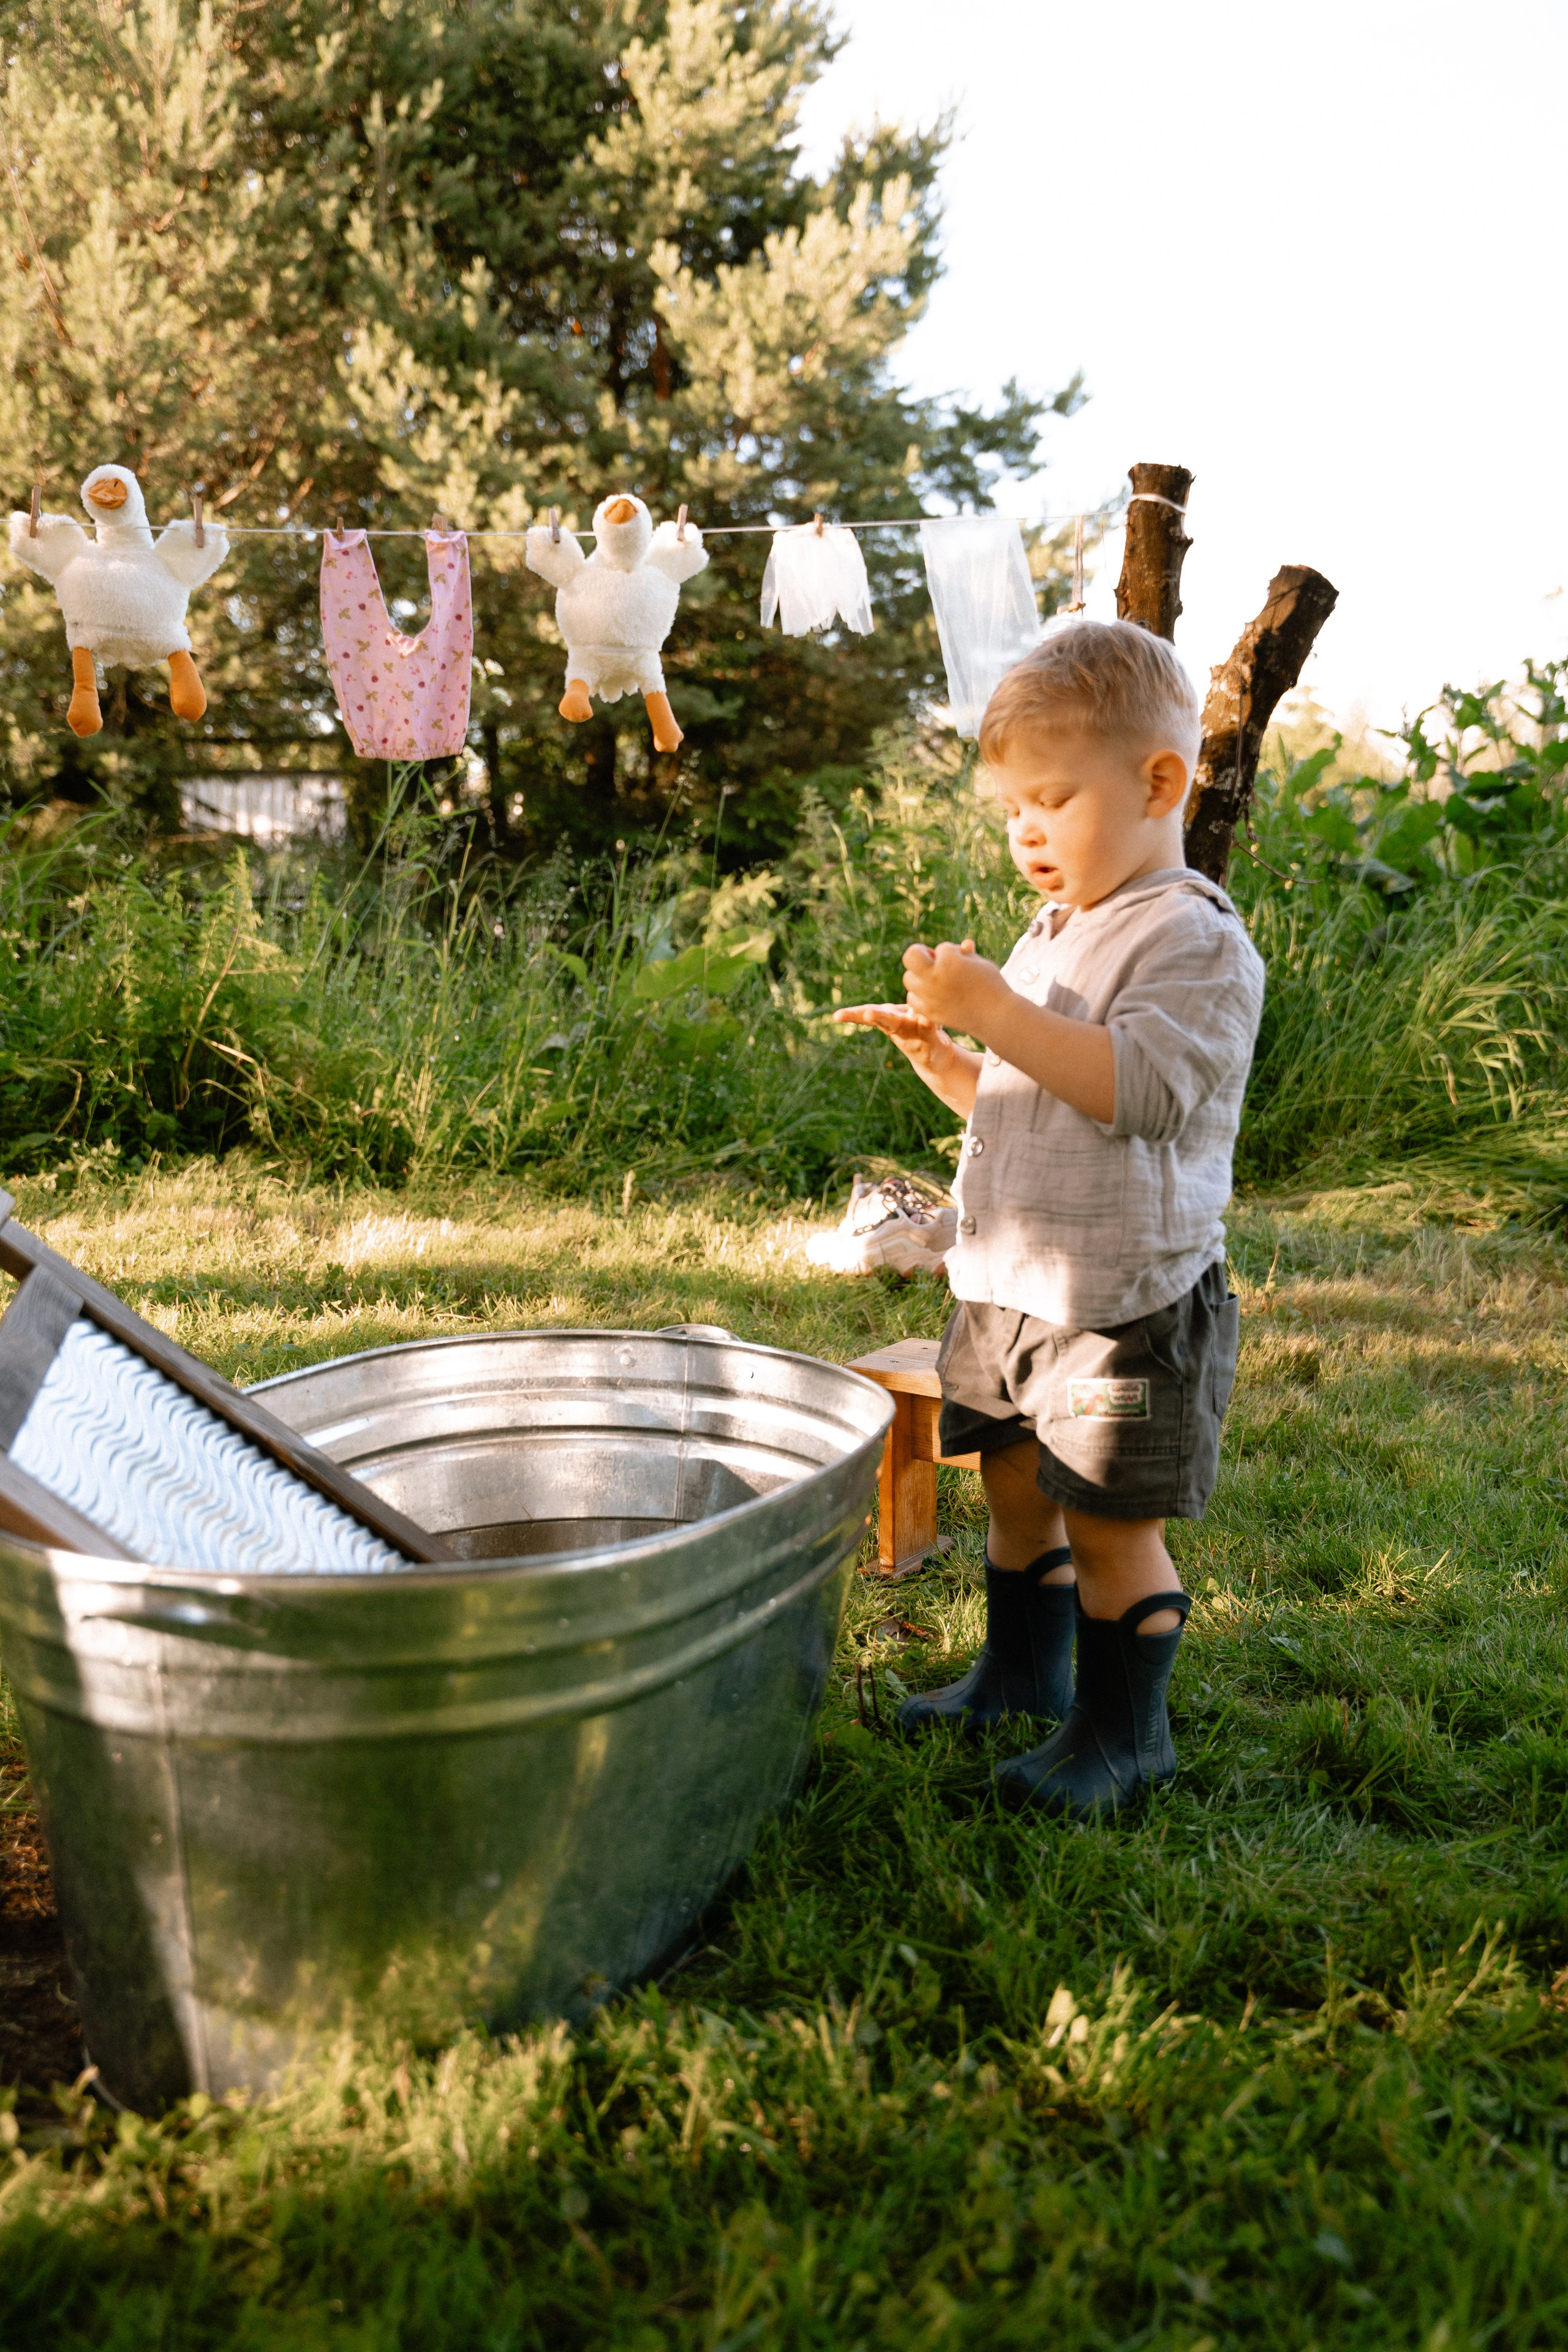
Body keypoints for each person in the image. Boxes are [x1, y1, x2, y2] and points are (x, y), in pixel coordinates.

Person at [835, 620, 1264, 1819]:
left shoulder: (1192, 940)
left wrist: (990, 1008)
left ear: (1156, 783)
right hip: (1008, 1289)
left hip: (1113, 1311)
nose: (1024, 829)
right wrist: (951, 1061)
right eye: (1011, 806)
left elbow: (1132, 1091)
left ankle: (1124, 1738)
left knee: (1103, 1513)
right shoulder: (1053, 928)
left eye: (1052, 798)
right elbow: (1037, 1101)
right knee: (1018, 1489)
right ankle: (1020, 1680)